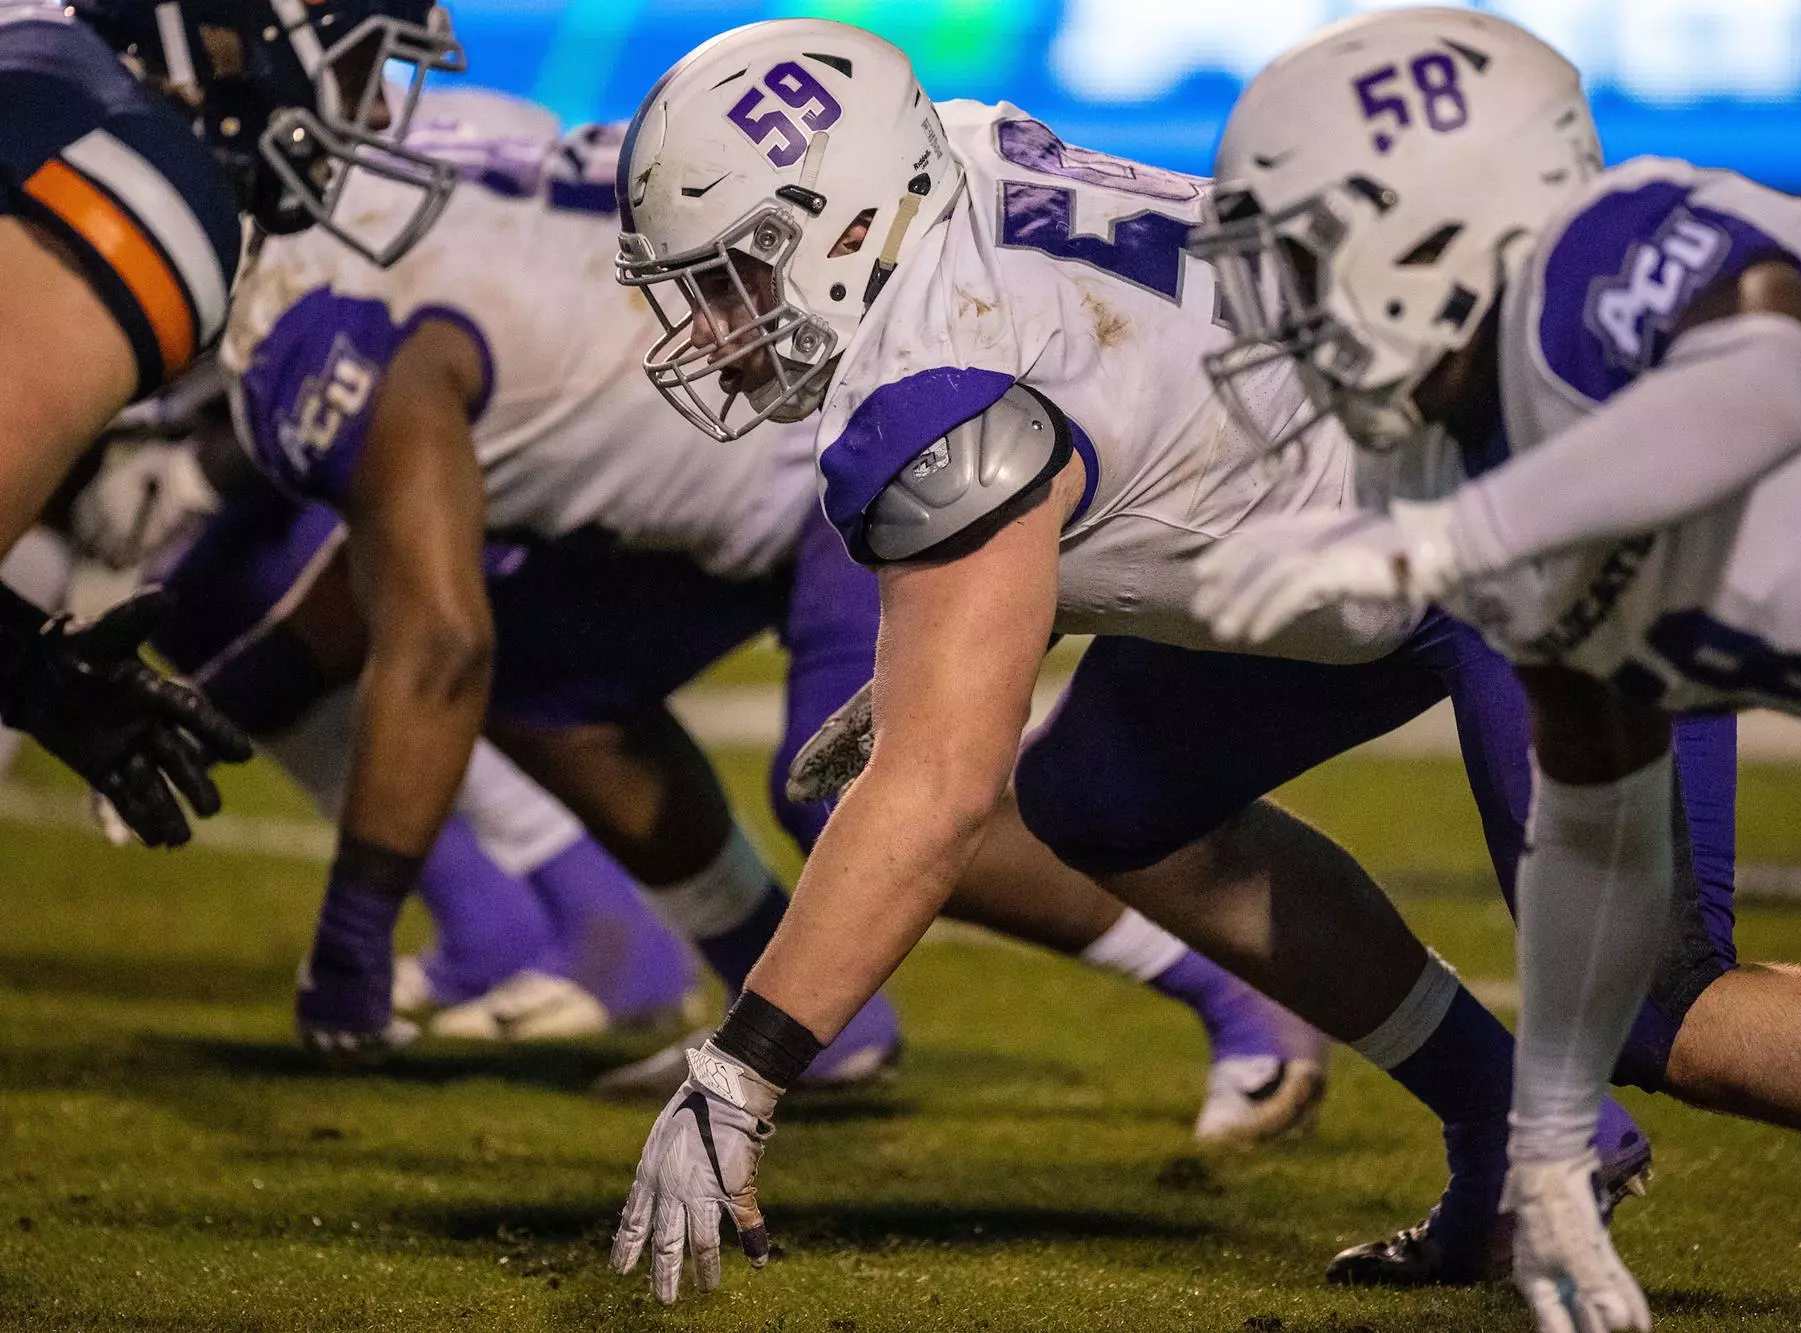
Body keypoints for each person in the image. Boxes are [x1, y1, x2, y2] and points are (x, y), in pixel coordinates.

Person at [602, 18, 1769, 1305]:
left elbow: (936, 791)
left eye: (734, 277)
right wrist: (987, 616)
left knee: (1670, 1012)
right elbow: (1127, 397)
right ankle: (1505, 1130)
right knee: (1105, 795)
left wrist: (741, 1073)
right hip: (1358, 514)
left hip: (1532, 512)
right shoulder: (956, 161)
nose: (718, 327)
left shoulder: (928, 381)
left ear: (837, 227)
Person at [205, 86, 1327, 1136]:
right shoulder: (432, 141)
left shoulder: (310, 318)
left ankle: (1245, 996)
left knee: (875, 791)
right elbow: (395, 536)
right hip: (723, 477)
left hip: (841, 440)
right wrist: (225, 700)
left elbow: (434, 630)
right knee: (550, 685)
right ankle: (811, 1019)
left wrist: (352, 937)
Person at [1184, 10, 1801, 1331]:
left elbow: (1767, 386)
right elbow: (1596, 819)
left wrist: (1460, 537)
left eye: (1303, 254)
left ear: (1433, 223)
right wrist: (1554, 1135)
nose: (1282, 306)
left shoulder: (1606, 246)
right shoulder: (1462, 464)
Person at [0, 0, 463, 840]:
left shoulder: (41, 71)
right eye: (360, 67)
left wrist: (26, 664)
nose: (378, 114)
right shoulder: (139, 176)